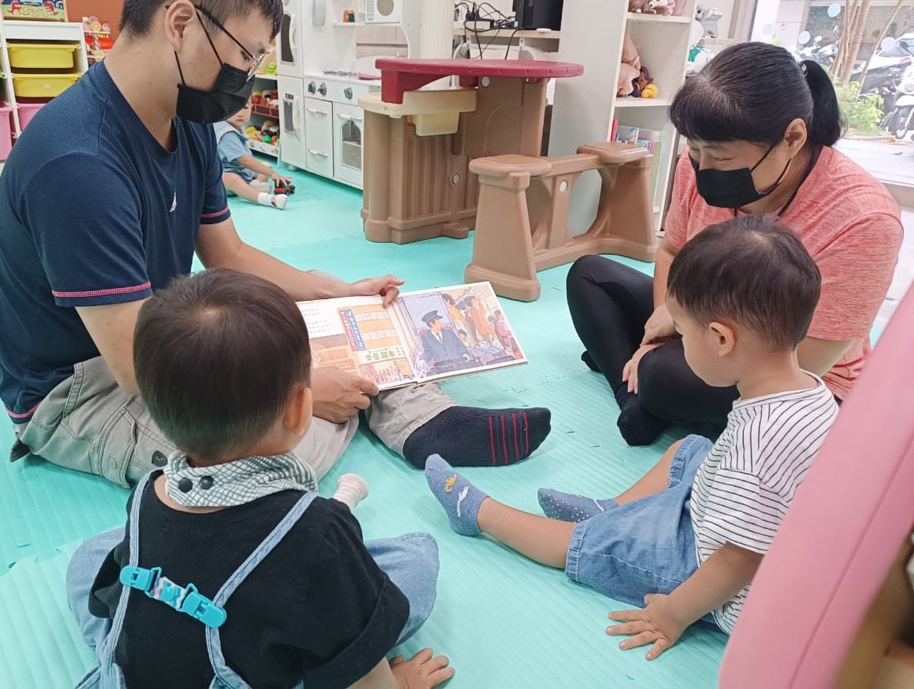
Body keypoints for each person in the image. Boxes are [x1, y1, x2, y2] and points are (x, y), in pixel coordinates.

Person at [0, 0, 552, 487]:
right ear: (181, 23)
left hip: (168, 330)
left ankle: (423, 418)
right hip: (89, 387)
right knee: (280, 449)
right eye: (245, 55)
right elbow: (136, 368)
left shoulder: (186, 119)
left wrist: (334, 294)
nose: (248, 74)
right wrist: (297, 389)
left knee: (327, 319)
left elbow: (228, 254)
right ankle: (360, 404)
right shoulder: (79, 163)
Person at [425, 216, 839, 658]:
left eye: (682, 332)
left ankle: (481, 513)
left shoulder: (757, 447)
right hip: (728, 518)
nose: (677, 342)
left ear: (721, 339)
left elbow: (739, 559)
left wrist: (673, 614)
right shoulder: (811, 392)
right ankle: (611, 510)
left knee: (594, 544)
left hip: (704, 568)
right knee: (691, 448)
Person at [67, 268, 454, 689]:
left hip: (137, 672)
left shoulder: (151, 490)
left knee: (92, 555)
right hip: (247, 669)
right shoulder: (320, 529)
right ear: (300, 409)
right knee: (415, 560)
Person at [566, 42, 902, 446]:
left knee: (665, 374)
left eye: (721, 158)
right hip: (702, 325)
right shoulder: (698, 163)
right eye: (694, 150)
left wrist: (676, 330)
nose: (702, 168)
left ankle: (646, 386)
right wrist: (664, 326)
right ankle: (637, 398)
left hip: (792, 375)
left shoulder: (864, 219)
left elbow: (808, 359)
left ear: (792, 138)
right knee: (589, 275)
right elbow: (672, 250)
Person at [214, 104, 292, 210]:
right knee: (231, 179)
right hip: (223, 177)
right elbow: (245, 160)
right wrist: (272, 174)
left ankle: (253, 186)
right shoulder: (226, 133)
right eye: (234, 107)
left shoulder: (234, 127)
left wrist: (268, 172)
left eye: (245, 107)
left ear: (251, 107)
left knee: (265, 167)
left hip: (242, 172)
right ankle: (268, 199)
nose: (240, 113)